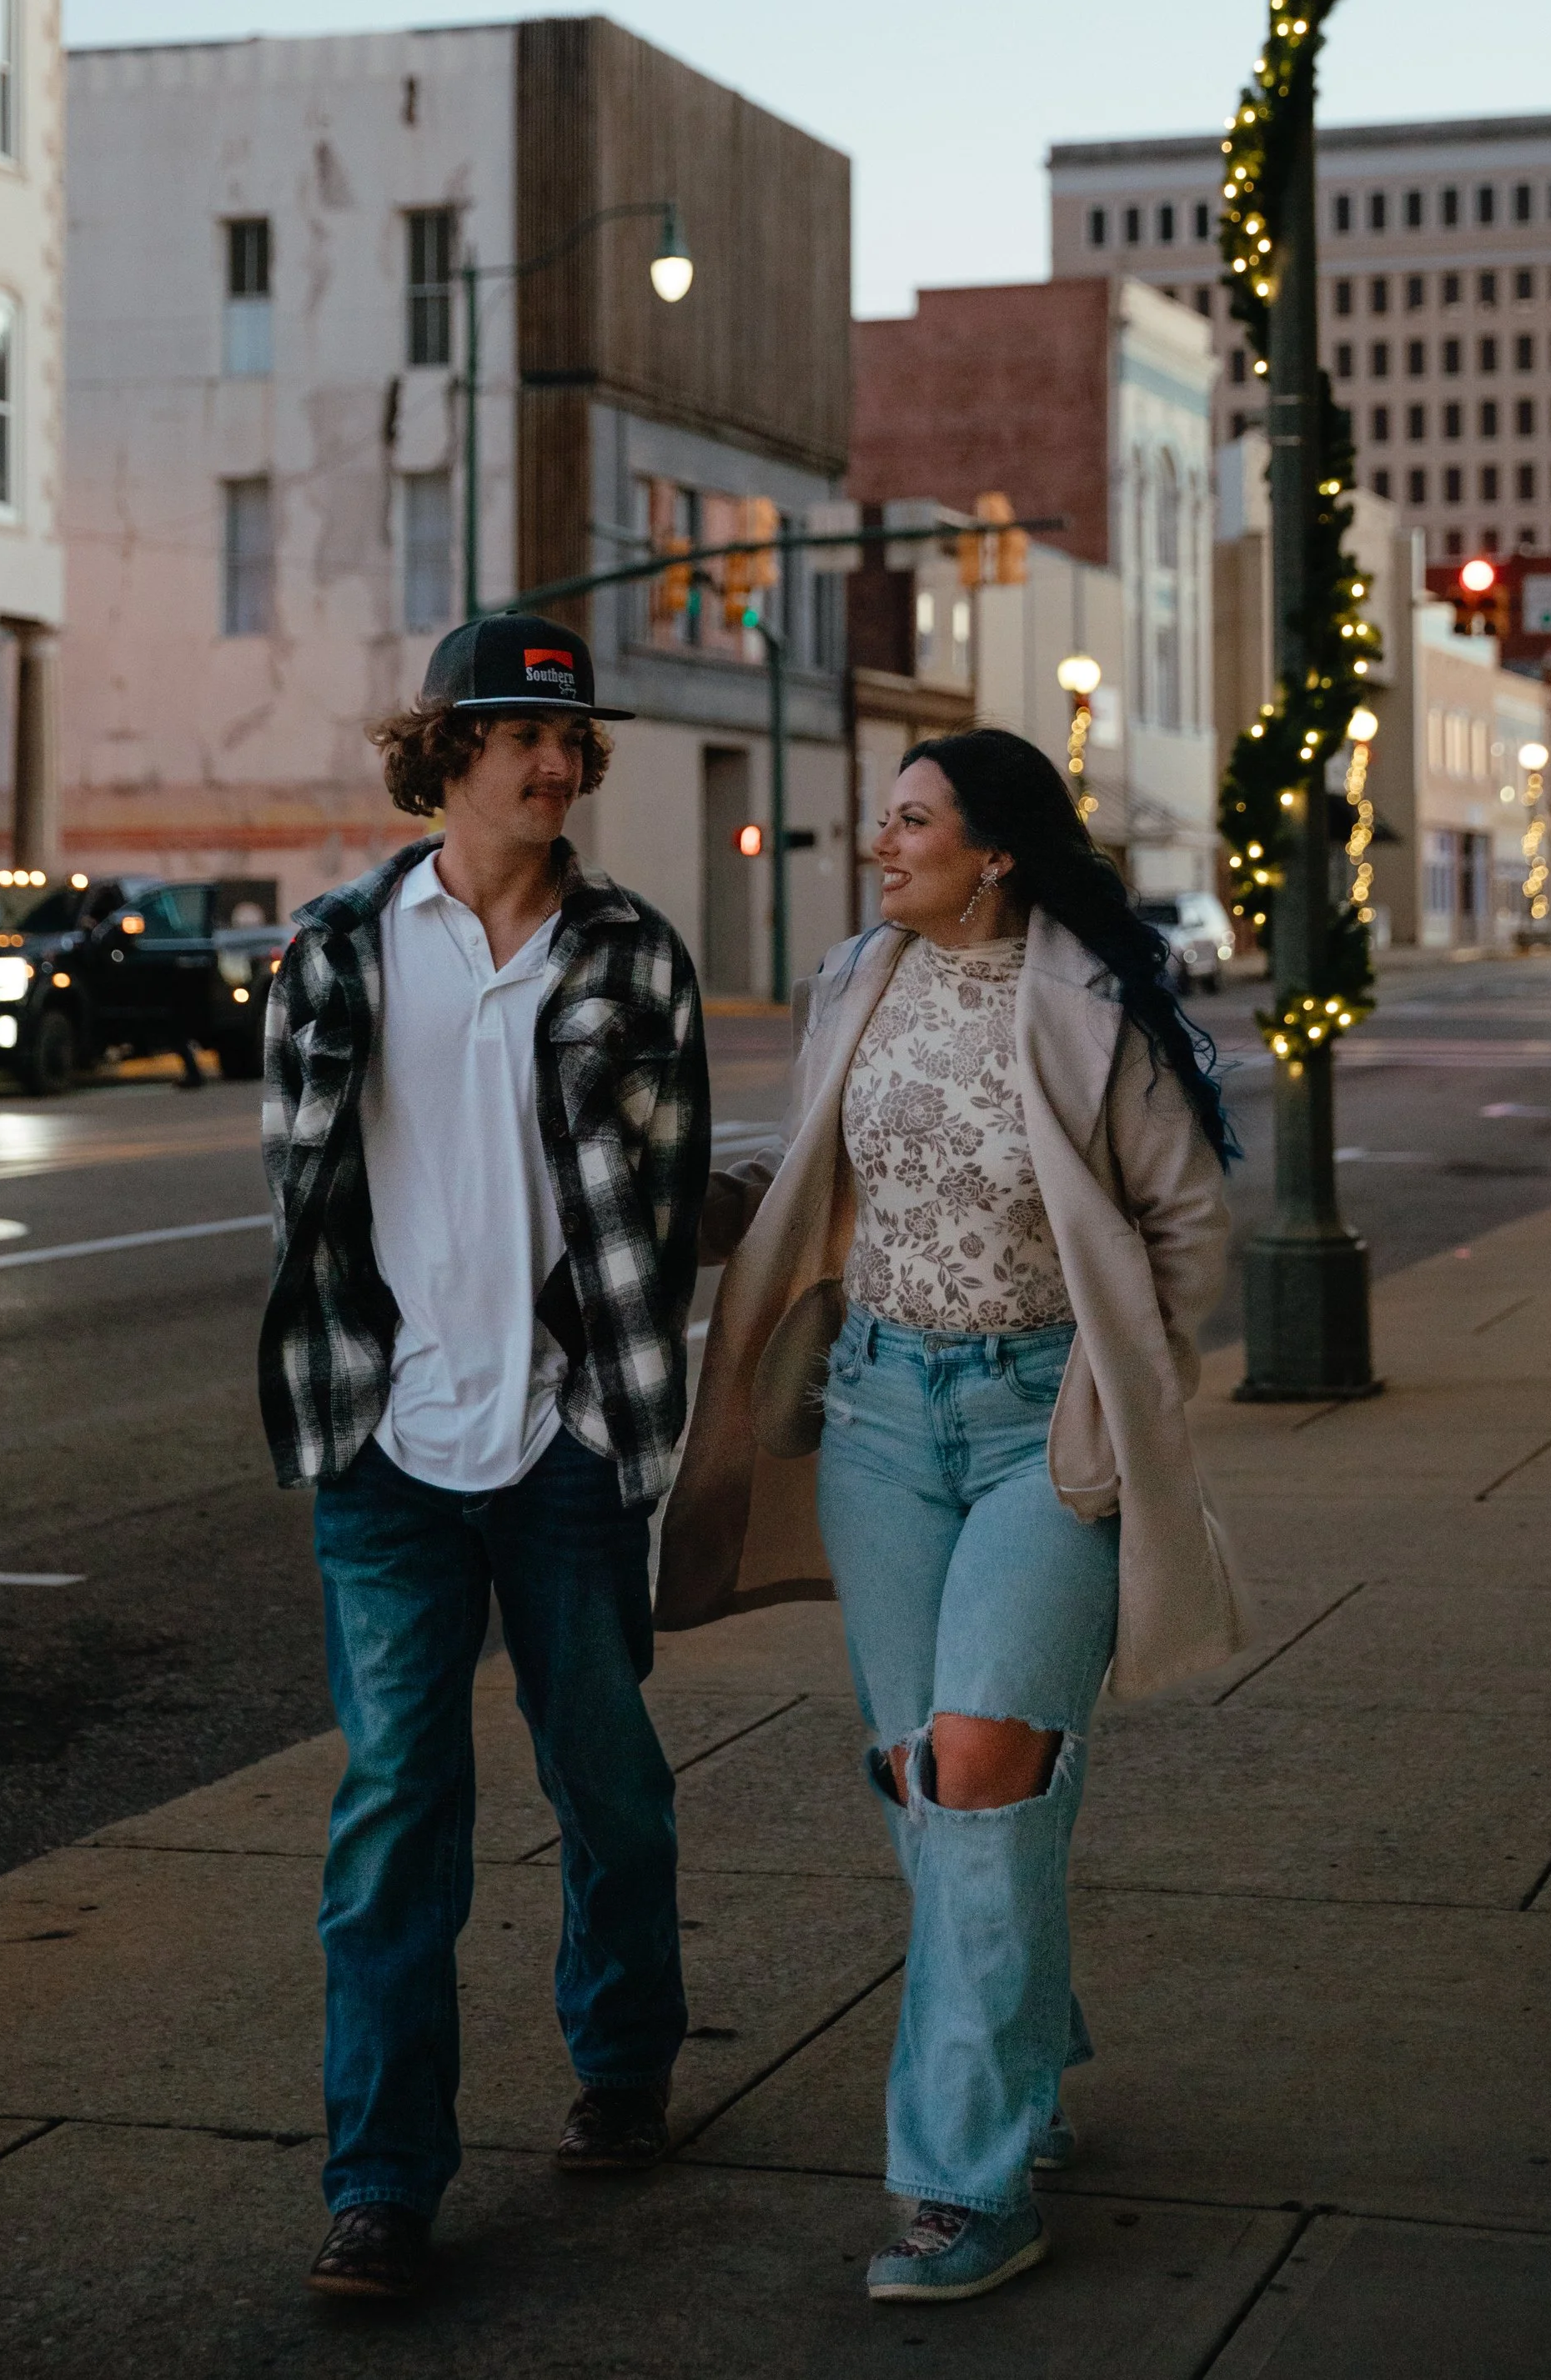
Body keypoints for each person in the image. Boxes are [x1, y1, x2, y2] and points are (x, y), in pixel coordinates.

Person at [660, 727, 1240, 2306]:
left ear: (996, 851)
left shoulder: (1092, 1003)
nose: (880, 840)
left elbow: (1189, 1223)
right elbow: (830, 1172)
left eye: (911, 820)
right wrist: (688, 1200)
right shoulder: (860, 974)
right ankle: (1029, 2048)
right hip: (875, 1419)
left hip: (1040, 1434)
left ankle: (961, 2184)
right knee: (929, 1777)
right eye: (884, 816)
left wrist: (1124, 1396)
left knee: (982, 1762)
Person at [258, 612, 712, 2302]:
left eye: (572, 739)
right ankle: (379, 2184)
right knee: (393, 1814)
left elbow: (661, 1214)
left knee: (607, 1783)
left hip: (564, 1446)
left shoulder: (631, 956)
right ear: (442, 747)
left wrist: (612, 1396)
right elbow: (295, 1193)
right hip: (389, 1451)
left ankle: (624, 2057)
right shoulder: (338, 948)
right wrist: (349, 1392)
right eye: (522, 736)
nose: (554, 762)